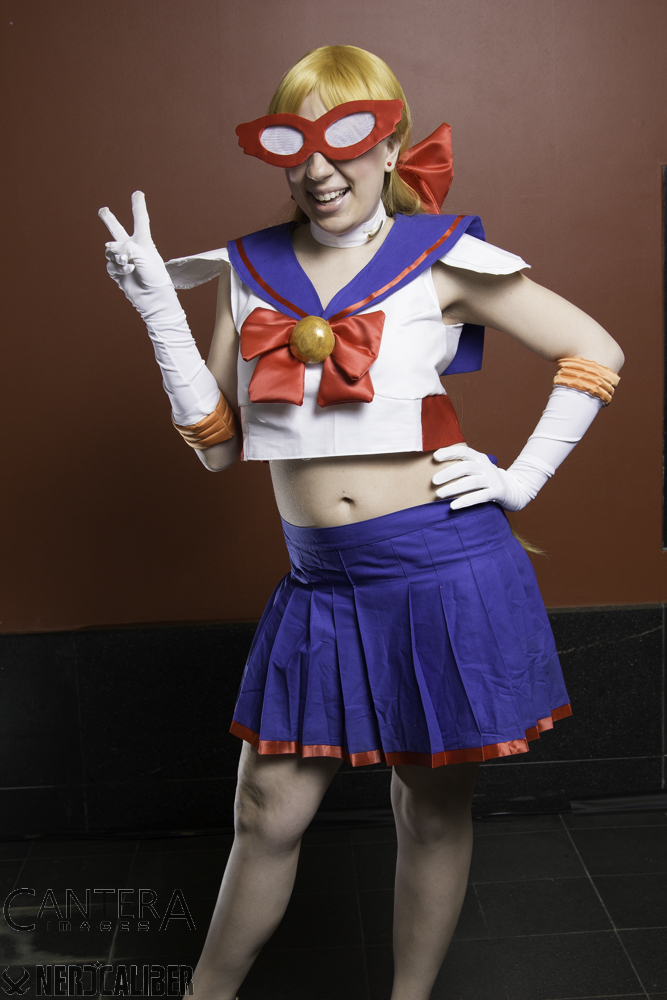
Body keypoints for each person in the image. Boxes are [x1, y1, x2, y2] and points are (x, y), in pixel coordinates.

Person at [99, 44, 623, 1000]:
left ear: (390, 147)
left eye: (343, 140)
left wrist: (522, 477)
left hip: (443, 569)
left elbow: (593, 348)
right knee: (265, 811)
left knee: (429, 811)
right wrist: (160, 318)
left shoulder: (440, 256)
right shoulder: (248, 268)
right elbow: (217, 448)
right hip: (322, 583)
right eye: (291, 145)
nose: (317, 169)